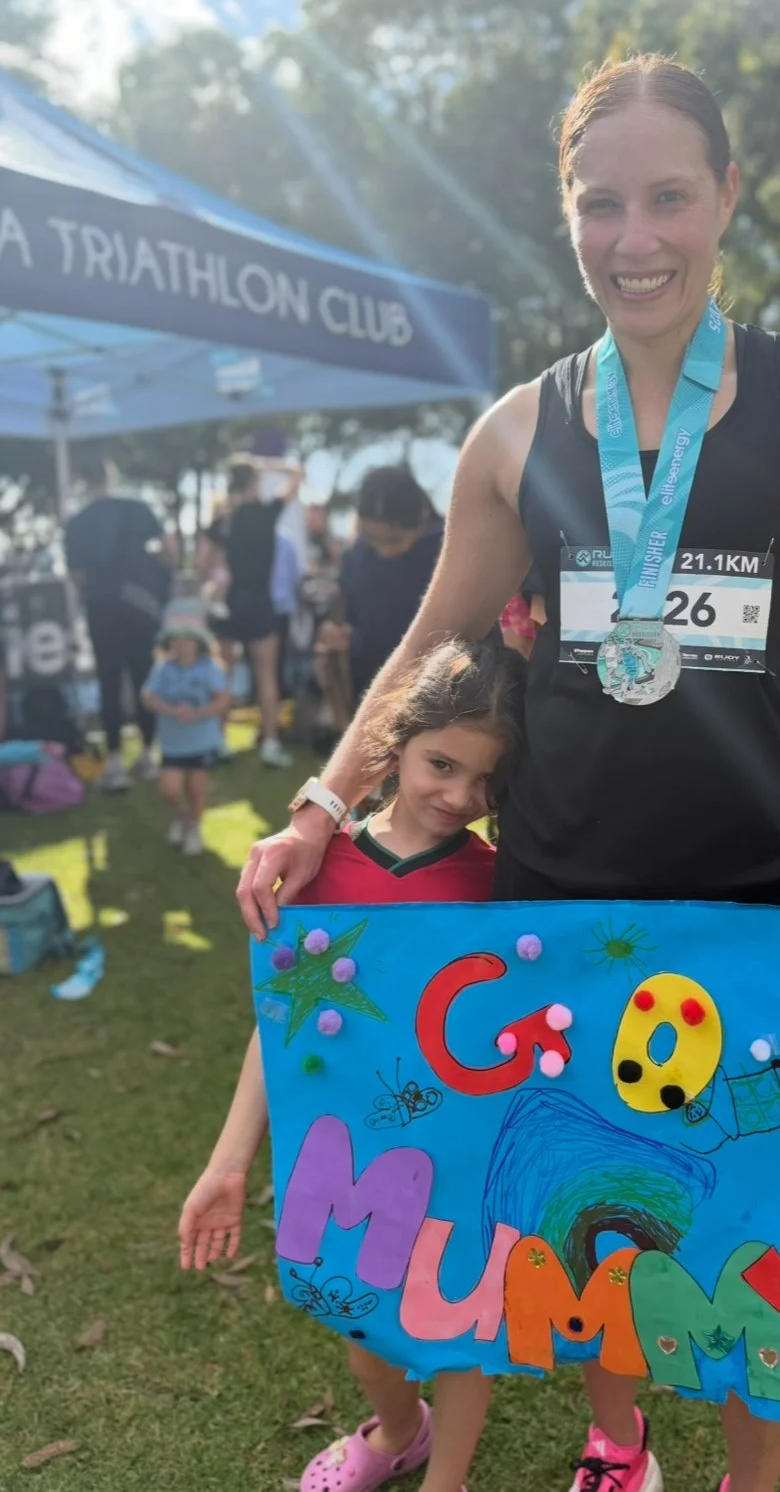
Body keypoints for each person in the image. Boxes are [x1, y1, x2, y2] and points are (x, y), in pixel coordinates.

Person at [235, 56, 780, 1492]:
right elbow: (428, 638)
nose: (637, 238)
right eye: (600, 203)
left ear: (726, 197)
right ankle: (619, 1445)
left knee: (761, 1210)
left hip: (772, 888)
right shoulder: (515, 431)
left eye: (669, 197)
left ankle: (746, 1479)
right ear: (564, 213)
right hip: (567, 882)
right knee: (594, 1191)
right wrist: (322, 806)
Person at [180, 639, 525, 1492]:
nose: (459, 796)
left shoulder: (502, 882)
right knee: (365, 1332)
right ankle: (398, 1430)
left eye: (486, 782)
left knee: (463, 1334)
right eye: (440, 763)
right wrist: (229, 1161)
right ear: (395, 744)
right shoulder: (319, 866)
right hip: (350, 1162)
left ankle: (446, 1479)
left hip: (464, 1161)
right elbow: (281, 1026)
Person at [64, 457, 172, 790]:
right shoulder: (137, 508)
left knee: (109, 683)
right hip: (141, 608)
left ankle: (114, 763)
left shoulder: (77, 522)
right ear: (110, 475)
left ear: (84, 480)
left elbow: (77, 575)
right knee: (145, 678)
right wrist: (156, 580)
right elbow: (170, 550)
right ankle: (148, 755)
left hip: (102, 608)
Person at [203, 455, 303, 767]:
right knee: (266, 676)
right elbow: (298, 475)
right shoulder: (265, 513)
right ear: (254, 482)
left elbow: (203, 563)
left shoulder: (222, 521)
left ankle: (218, 743)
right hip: (261, 602)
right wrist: (267, 464)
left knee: (224, 675)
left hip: (231, 603)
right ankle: (270, 743)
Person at [315, 465, 444, 701]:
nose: (385, 552)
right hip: (371, 689)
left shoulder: (446, 554)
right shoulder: (356, 558)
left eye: (395, 540)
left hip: (435, 692)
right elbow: (350, 618)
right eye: (374, 540)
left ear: (423, 517)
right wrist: (336, 634)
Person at [140, 600, 231, 855]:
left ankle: (194, 828)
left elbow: (222, 699)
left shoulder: (211, 669)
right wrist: (170, 711)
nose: (182, 645)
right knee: (169, 788)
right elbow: (148, 696)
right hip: (172, 742)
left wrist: (199, 713)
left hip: (201, 741)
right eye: (177, 640)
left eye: (188, 639)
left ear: (199, 642)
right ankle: (181, 818)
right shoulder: (162, 669)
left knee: (196, 789)